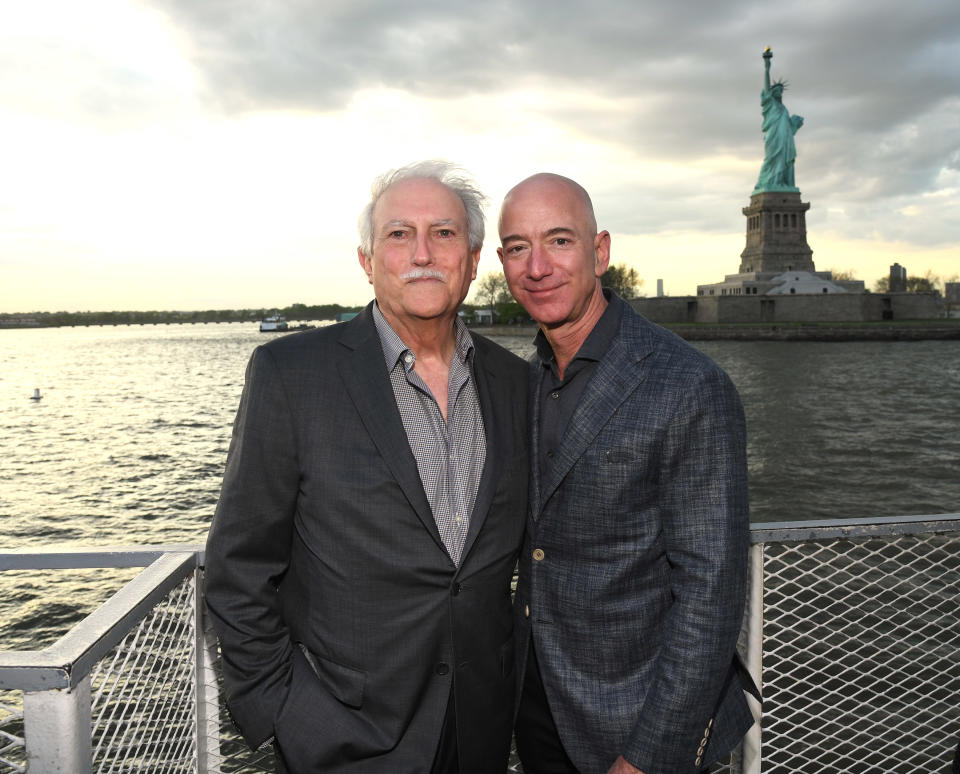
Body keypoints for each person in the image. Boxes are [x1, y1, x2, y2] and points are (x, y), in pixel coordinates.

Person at [204, 160, 529, 773]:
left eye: (445, 233)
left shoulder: (516, 383)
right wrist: (281, 712)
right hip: (341, 734)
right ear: (367, 261)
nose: (423, 253)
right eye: (399, 234)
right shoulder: (291, 374)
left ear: (474, 256)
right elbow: (239, 565)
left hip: (481, 727)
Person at [497, 173, 757, 774]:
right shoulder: (521, 378)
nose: (537, 267)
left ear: (601, 251)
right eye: (517, 247)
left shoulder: (690, 385)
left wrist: (649, 756)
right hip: (538, 708)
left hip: (640, 724)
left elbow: (711, 593)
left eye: (559, 241)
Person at [753, 47, 804, 193]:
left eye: (781, 91)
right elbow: (766, 87)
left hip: (785, 139)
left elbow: (789, 129)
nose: (780, 92)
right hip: (773, 137)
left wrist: (796, 125)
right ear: (772, 92)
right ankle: (766, 182)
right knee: (770, 159)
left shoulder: (783, 109)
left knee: (784, 161)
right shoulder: (769, 103)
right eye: (777, 90)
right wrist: (767, 67)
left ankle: (782, 183)